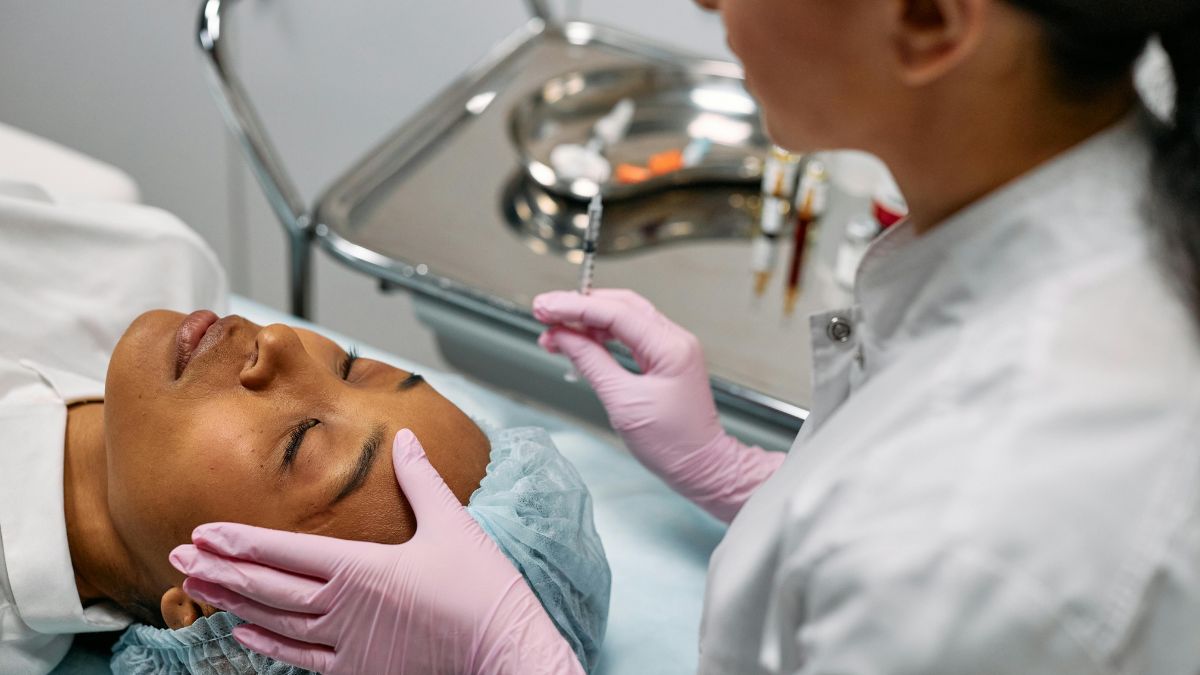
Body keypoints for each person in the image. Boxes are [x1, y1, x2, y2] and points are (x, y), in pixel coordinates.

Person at [171, 0, 1200, 673]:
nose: (705, 2)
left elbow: (946, 561)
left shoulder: (987, 538)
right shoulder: (1067, 218)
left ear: (932, 21)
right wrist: (746, 478)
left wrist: (512, 654)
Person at [0, 182, 609, 674]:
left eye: (300, 441)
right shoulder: (147, 264)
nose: (281, 341)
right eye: (350, 365)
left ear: (213, 600)